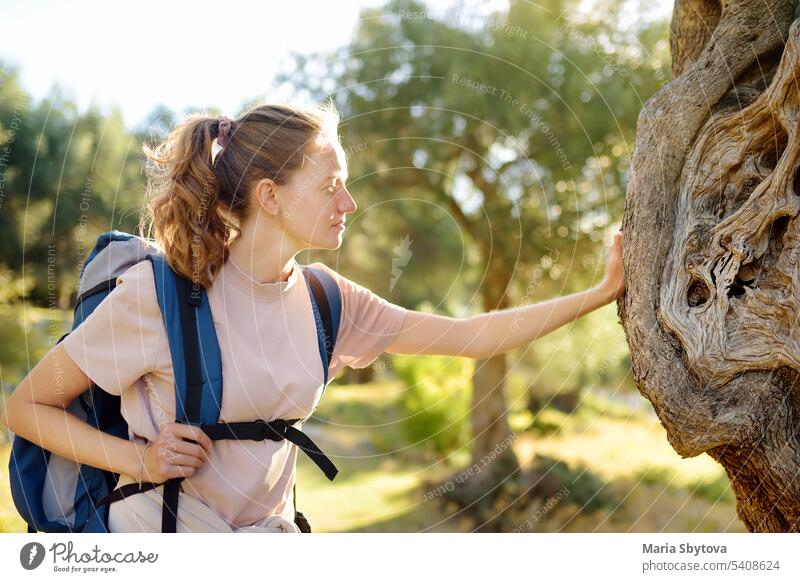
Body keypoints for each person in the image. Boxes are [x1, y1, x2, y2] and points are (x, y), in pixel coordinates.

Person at [2, 101, 625, 533]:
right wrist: (139, 461)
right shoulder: (157, 296)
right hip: (165, 537)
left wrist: (600, 293)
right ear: (270, 196)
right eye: (331, 185)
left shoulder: (329, 298)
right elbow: (24, 408)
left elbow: (468, 337)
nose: (349, 203)